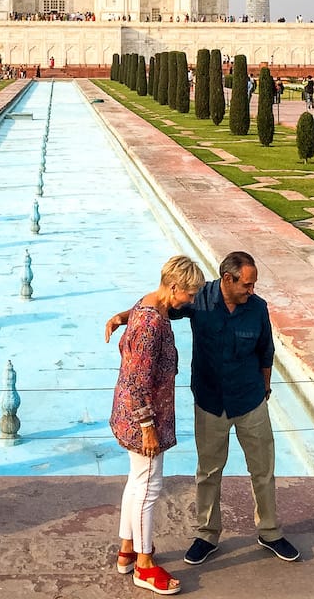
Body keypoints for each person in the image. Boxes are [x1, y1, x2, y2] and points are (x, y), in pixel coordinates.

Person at [107, 251, 299, 568]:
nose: (251, 290)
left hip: (250, 401)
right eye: (247, 285)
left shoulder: (258, 308)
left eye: (253, 285)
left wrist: (265, 388)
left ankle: (270, 531)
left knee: (262, 471)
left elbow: (267, 352)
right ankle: (207, 534)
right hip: (210, 402)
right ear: (228, 279)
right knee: (208, 472)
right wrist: (122, 317)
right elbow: (160, 306)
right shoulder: (200, 298)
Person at [106, 255, 205, 595]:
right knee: (149, 488)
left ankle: (127, 550)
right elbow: (137, 381)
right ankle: (144, 565)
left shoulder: (149, 304)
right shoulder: (152, 324)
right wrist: (148, 427)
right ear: (174, 287)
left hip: (130, 414)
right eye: (189, 295)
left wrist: (122, 317)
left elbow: (137, 322)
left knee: (137, 482)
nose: (190, 302)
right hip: (142, 420)